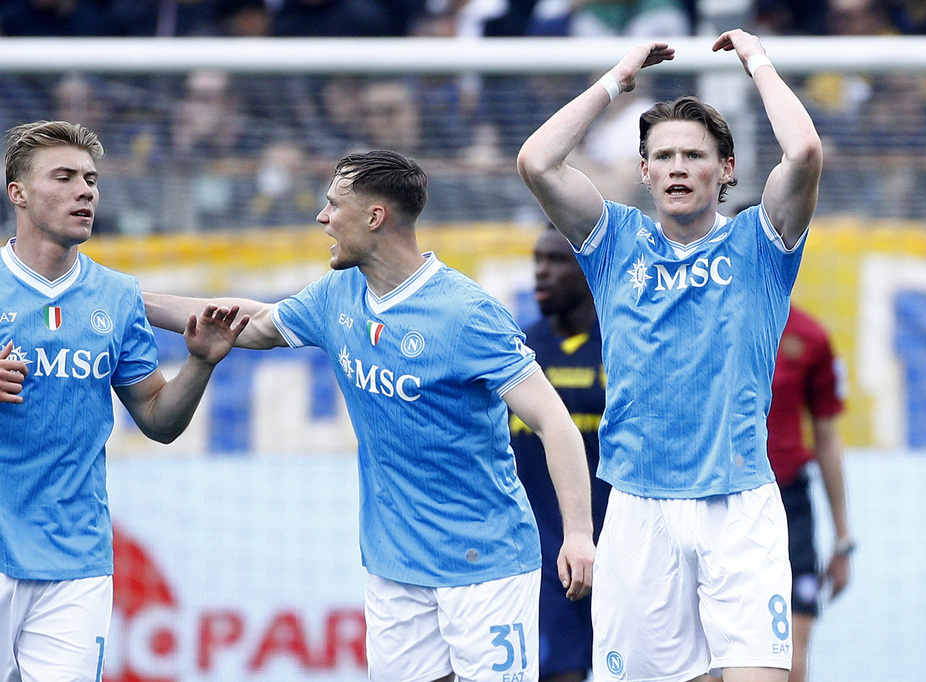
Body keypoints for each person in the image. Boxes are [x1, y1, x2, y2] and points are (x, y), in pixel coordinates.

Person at [144, 149, 596, 682]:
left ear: (374, 217)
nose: (322, 217)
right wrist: (126, 298)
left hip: (485, 565)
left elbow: (553, 422)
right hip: (393, 566)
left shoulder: (466, 314)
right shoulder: (338, 294)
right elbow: (251, 320)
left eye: (334, 204)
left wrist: (579, 535)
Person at [517, 28, 824, 682]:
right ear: (645, 172)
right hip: (635, 507)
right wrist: (618, 77)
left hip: (738, 505)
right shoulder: (614, 241)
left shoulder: (760, 246)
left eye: (695, 154)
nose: (679, 166)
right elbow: (538, 162)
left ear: (727, 170)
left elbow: (802, 151)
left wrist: (758, 63)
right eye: (664, 156)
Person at [0, 119, 247, 680]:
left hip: (75, 559)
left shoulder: (117, 296)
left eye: (90, 178)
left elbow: (159, 420)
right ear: (17, 192)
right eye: (63, 177)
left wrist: (201, 363)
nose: (84, 190)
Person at [510, 226, 611, 682]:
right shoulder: (514, 353)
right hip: (542, 557)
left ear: (588, 272)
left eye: (555, 261)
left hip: (622, 551)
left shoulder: (624, 349)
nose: (541, 272)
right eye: (537, 261)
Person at [768, 305, 853, 682]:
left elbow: (828, 440)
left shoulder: (810, 336)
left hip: (789, 506)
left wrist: (843, 540)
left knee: (790, 663)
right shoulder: (708, 316)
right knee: (710, 662)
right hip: (720, 497)